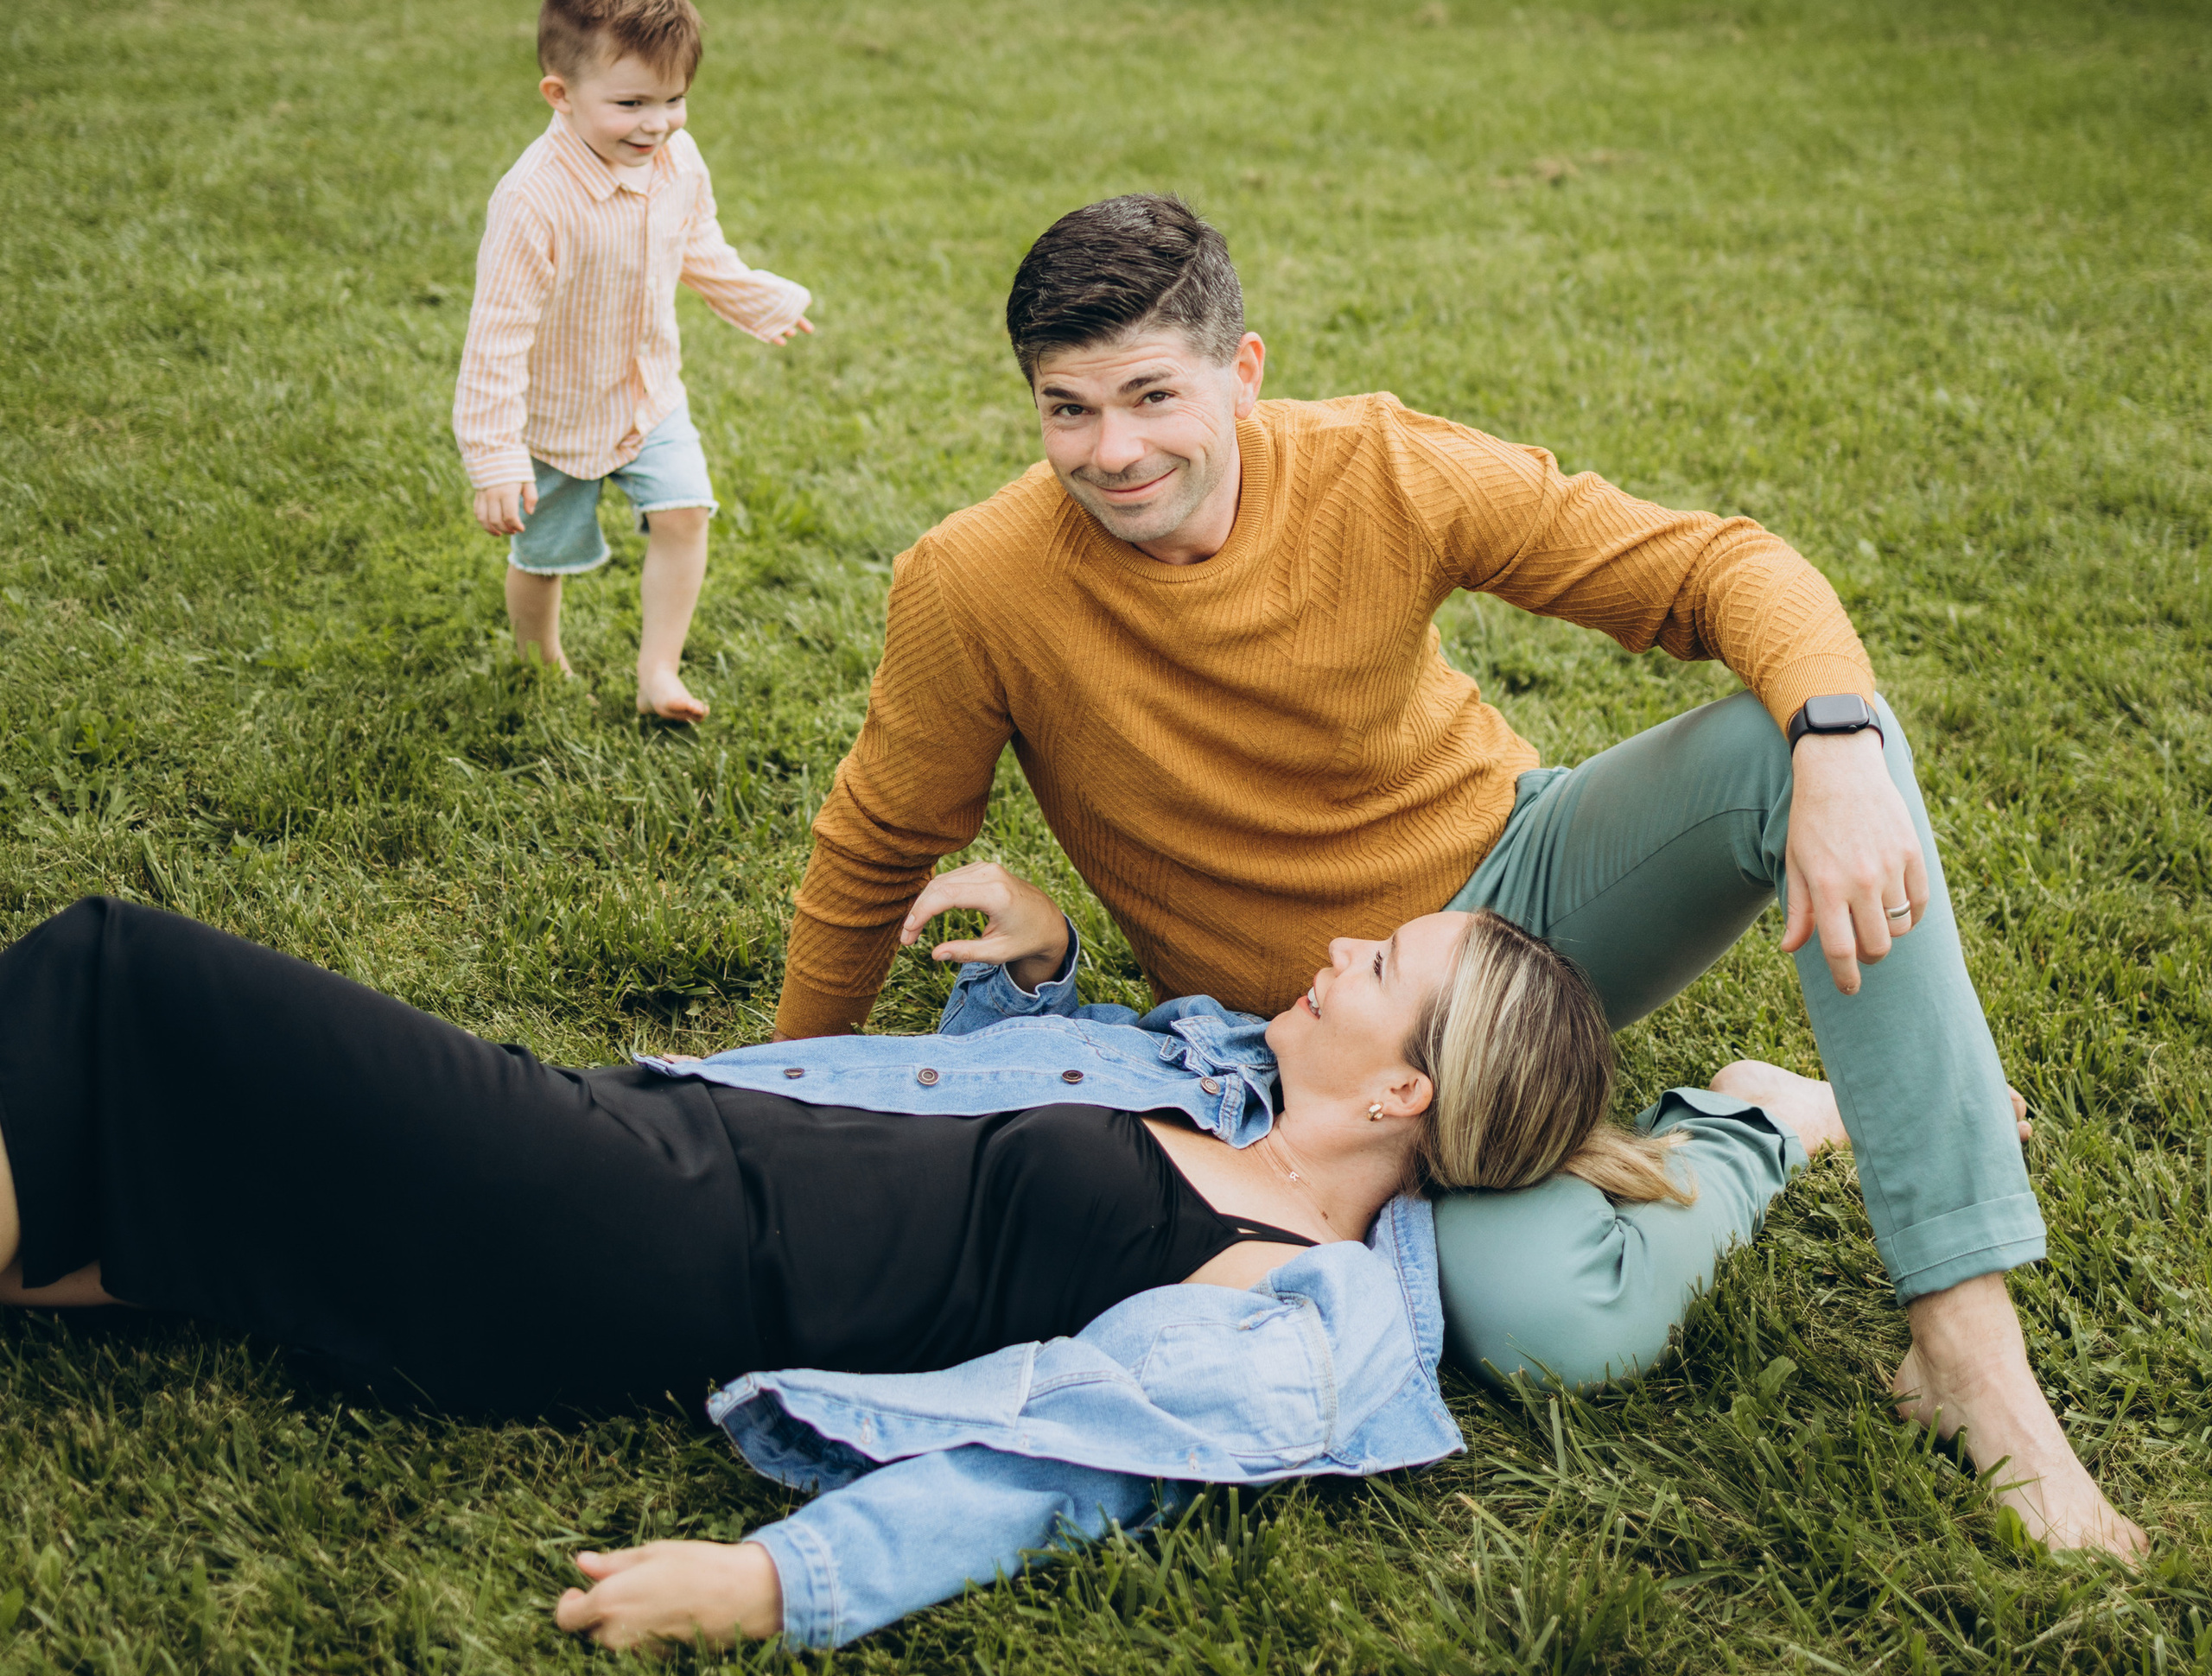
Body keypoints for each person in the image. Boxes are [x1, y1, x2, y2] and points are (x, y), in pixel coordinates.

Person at [775, 195, 2143, 1560]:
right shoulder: (975, 584)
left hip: (1527, 898)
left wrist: (1836, 749)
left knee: (1810, 739)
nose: (1114, 451)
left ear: (1243, 373)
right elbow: (875, 849)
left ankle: (1968, 1352)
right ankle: (1760, 1119)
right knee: (1555, 1324)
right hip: (1311, 1043)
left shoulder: (1376, 470)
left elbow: (1720, 567)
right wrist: (786, 1103)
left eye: (1152, 394)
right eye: (1068, 409)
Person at [0, 871, 1817, 1654]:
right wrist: (1019, 981)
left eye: (1381, 965)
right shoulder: (1216, 1077)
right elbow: (958, 1148)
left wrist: (779, 1584)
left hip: (622, 1228)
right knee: (128, 1209)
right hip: (635, 1134)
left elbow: (1061, 1474)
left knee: (117, 976)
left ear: (1406, 1087)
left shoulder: (1290, 1300)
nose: (1340, 949)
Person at [452, 0, 813, 722]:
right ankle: (538, 656)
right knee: (543, 555)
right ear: (561, 95)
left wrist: (760, 301)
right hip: (554, 417)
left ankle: (659, 674)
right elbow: (497, 336)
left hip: (650, 394)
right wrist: (494, 456)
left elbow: (698, 247)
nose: (657, 123)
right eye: (631, 103)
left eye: (675, 99)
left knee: (685, 514)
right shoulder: (532, 202)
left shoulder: (676, 159)